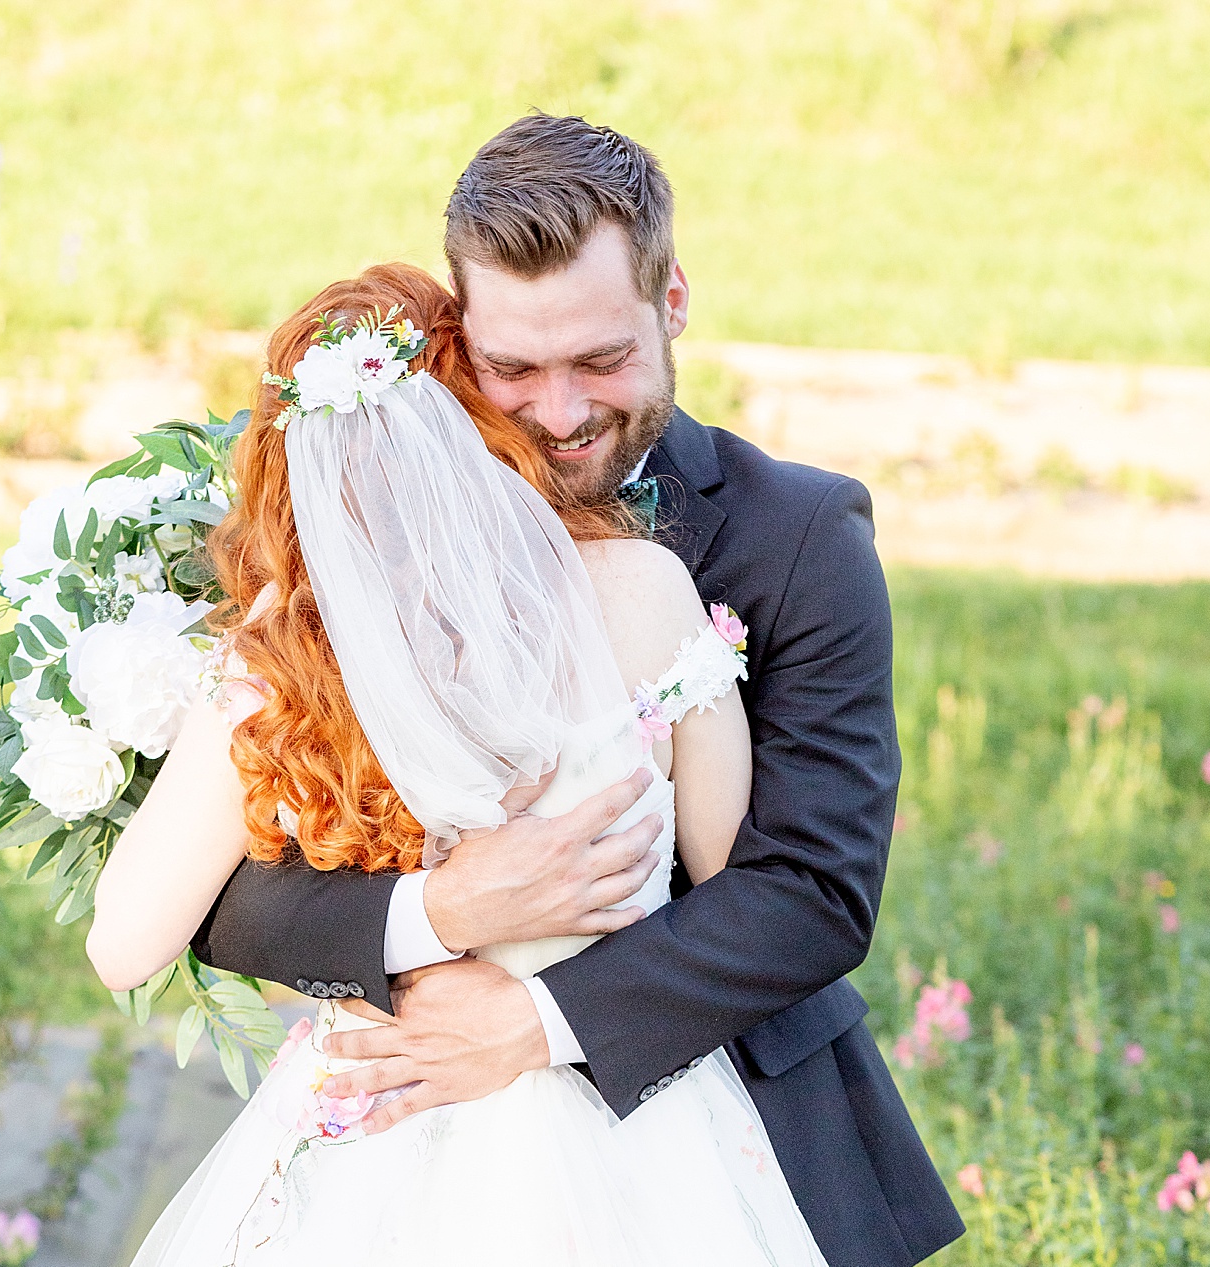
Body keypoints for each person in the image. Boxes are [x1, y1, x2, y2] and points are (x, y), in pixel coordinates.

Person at [184, 115, 964, 1267]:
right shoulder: (362, 534)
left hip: (726, 1131)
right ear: (456, 339)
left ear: (673, 301)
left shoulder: (801, 533)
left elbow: (815, 887)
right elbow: (225, 885)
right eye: (513, 370)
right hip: (414, 1143)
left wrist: (537, 1023)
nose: (558, 414)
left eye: (601, 361)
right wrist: (435, 916)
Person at [88, 262, 829, 1264]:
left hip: (380, 1115)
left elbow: (123, 943)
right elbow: (731, 871)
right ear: (484, 426)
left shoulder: (290, 662)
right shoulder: (646, 591)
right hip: (632, 1124)